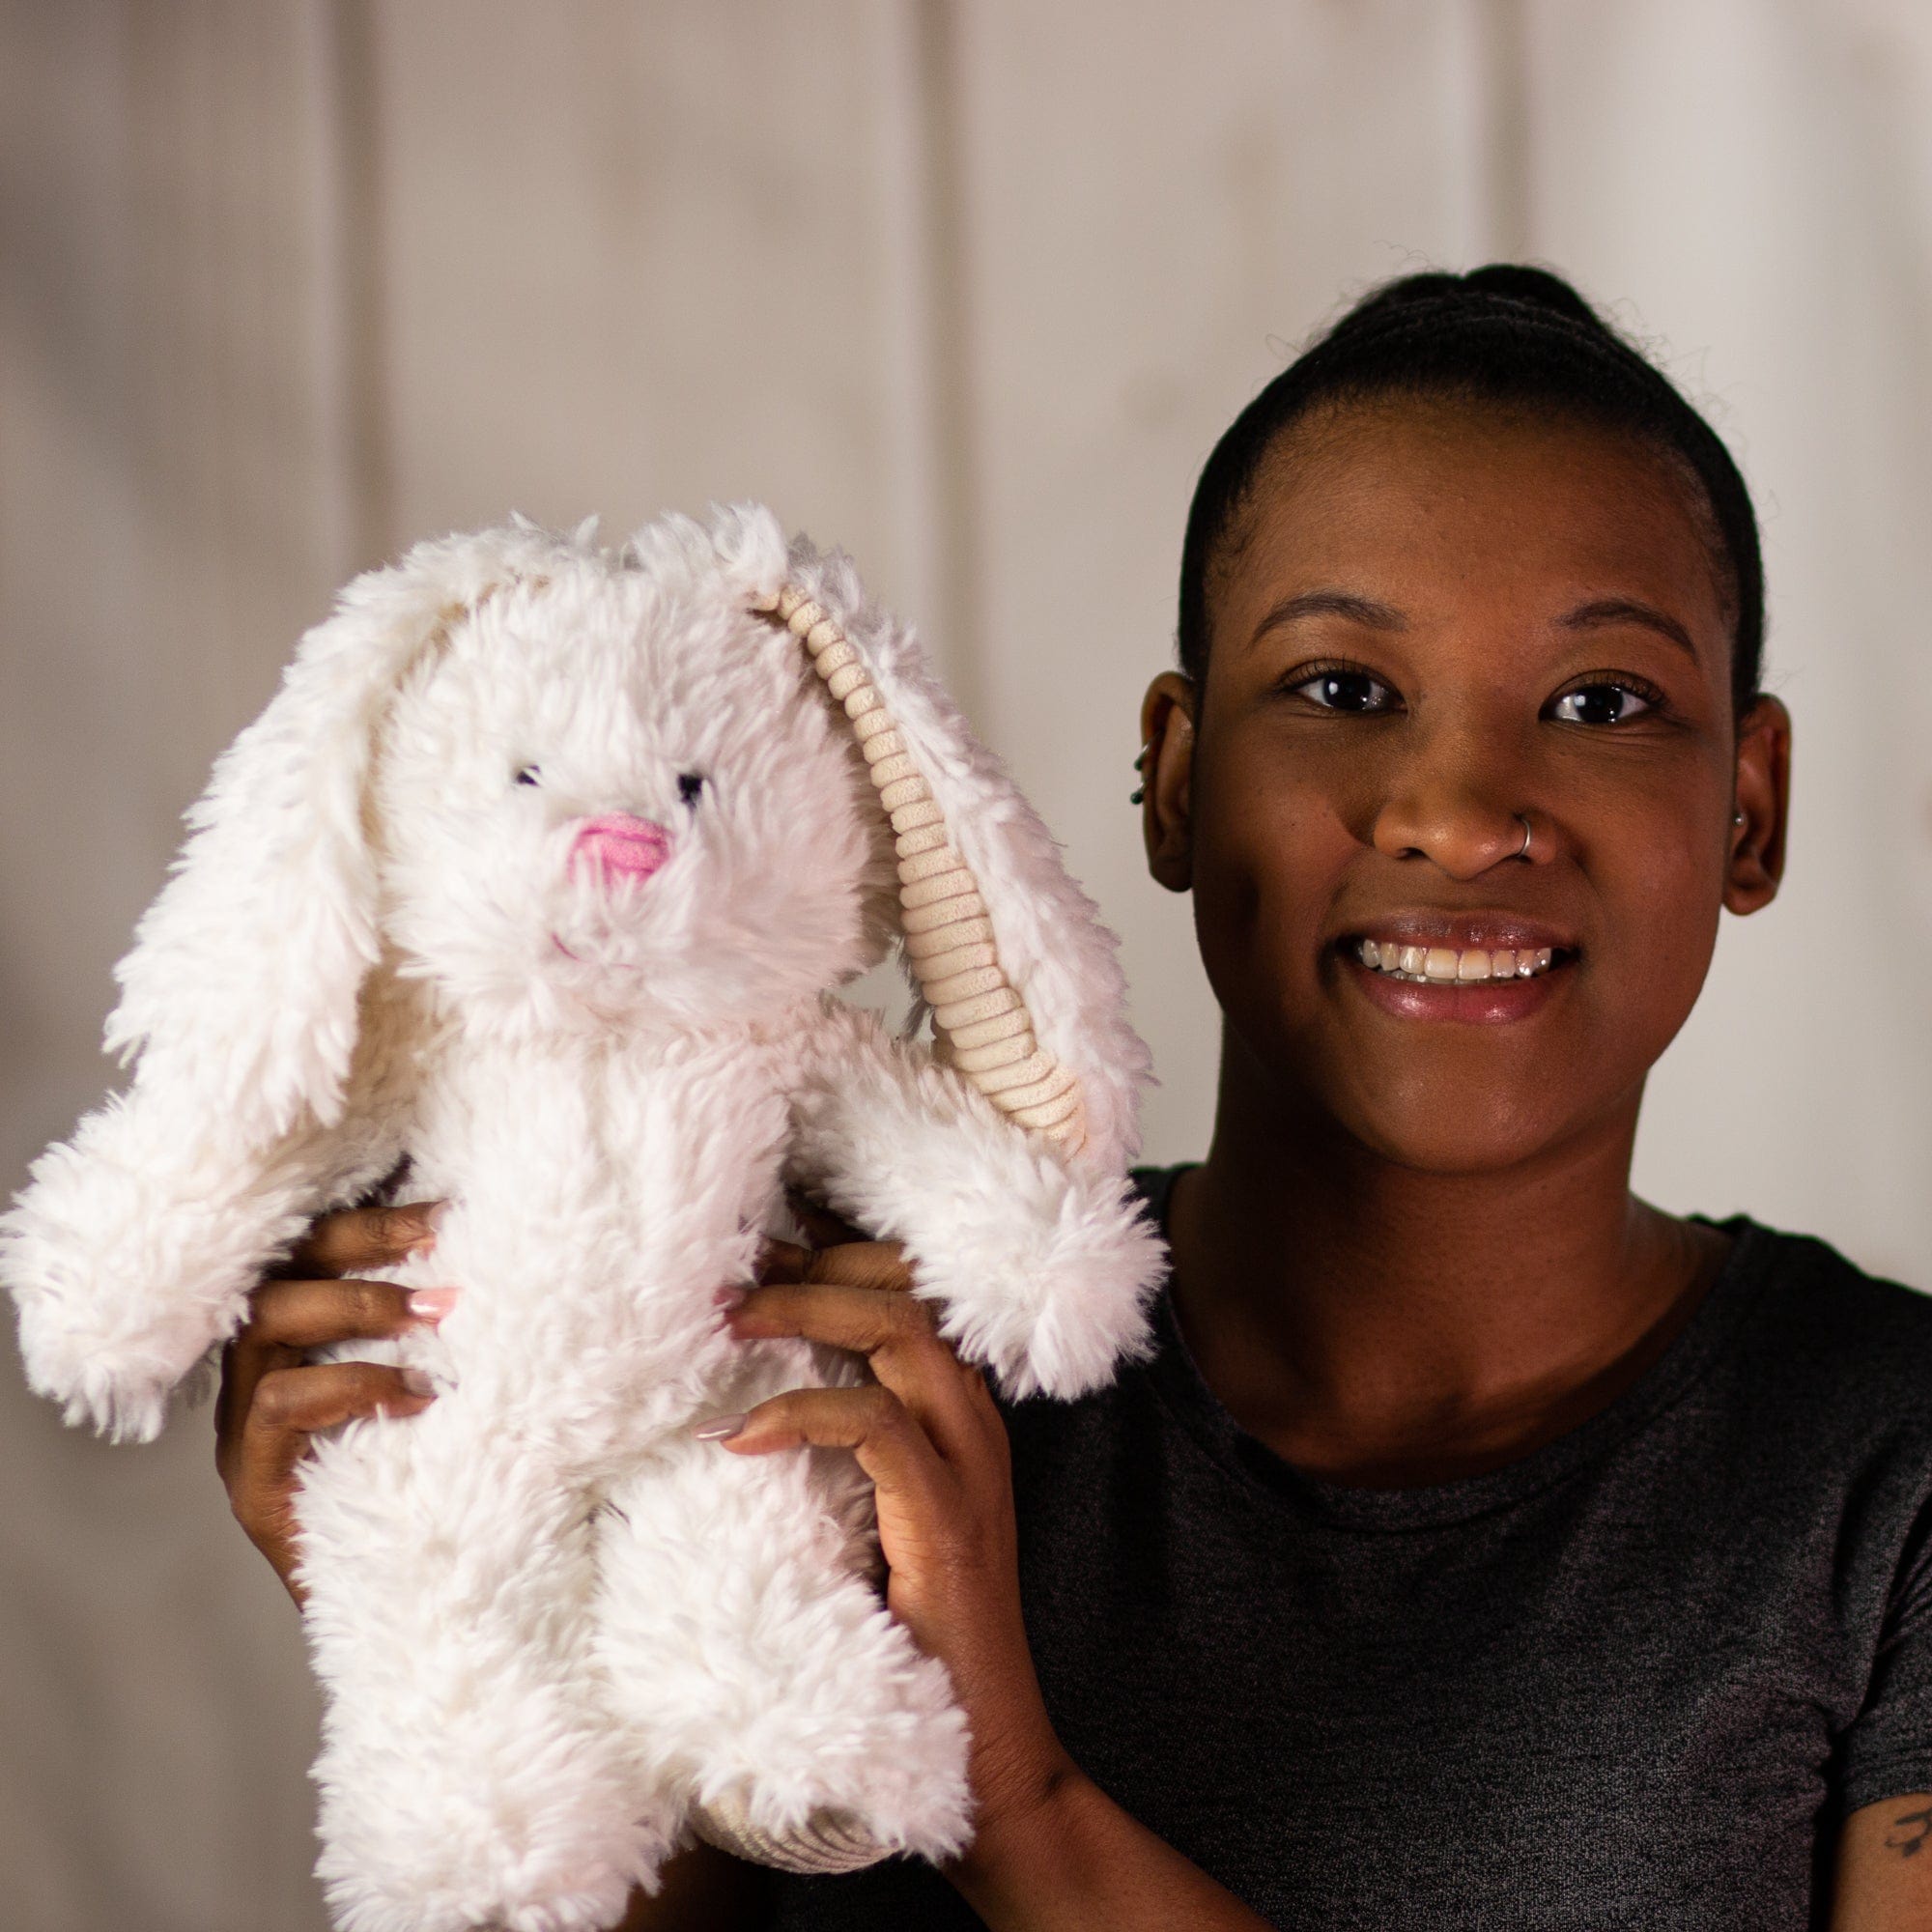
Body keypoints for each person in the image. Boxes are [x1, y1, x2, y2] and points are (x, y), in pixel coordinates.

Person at [215, 267, 1932, 1929]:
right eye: (1342, 690)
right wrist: (440, 1593)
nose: (1462, 809)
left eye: (1601, 701)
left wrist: (1015, 1801)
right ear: (1178, 783)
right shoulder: (854, 1350)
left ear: (1750, 806)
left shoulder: (1887, 1477)